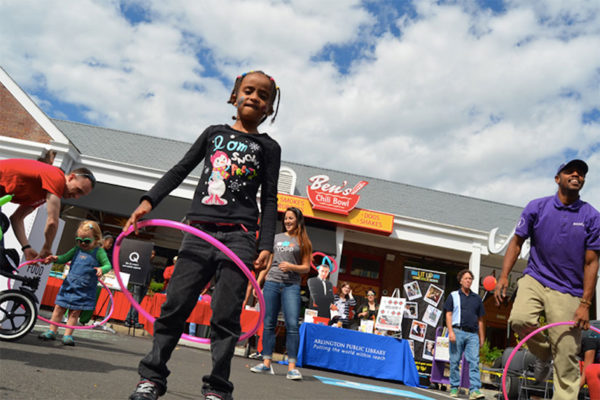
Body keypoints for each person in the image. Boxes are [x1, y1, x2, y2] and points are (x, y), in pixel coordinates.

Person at [126, 70, 281, 400]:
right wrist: (147, 201)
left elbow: (269, 198)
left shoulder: (269, 147)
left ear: (269, 108)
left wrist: (265, 244)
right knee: (175, 306)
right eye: (248, 91)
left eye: (263, 96)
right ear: (233, 96)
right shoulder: (213, 133)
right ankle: (151, 378)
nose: (254, 97)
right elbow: (181, 169)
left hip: (240, 237)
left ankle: (218, 389)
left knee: (226, 315)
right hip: (198, 231)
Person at [494, 159, 600, 399]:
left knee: (566, 356)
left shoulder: (592, 216)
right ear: (557, 178)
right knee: (519, 319)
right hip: (536, 277)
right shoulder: (537, 207)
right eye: (570, 171)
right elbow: (516, 242)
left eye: (581, 173)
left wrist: (585, 304)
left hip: (569, 289)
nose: (576, 175)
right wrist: (502, 277)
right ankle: (543, 353)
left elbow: (592, 262)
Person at [250, 207, 312, 380]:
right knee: (268, 323)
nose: (287, 221)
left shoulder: (304, 241)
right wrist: (259, 284)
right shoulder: (276, 239)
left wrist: (292, 267)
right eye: (285, 218)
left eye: (291, 218)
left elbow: (306, 267)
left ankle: (292, 367)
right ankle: (266, 363)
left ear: (298, 220)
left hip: (291, 286)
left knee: (292, 325)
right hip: (272, 283)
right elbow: (269, 263)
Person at [0, 159, 95, 259]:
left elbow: (17, 219)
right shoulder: (56, 178)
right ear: (71, 177)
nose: (76, 197)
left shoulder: (42, 194)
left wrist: (26, 247)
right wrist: (47, 247)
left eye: (81, 195)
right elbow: (52, 222)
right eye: (78, 190)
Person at [38, 220, 112, 346]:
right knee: (58, 308)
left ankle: (67, 335)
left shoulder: (99, 252)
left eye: (86, 241)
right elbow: (64, 258)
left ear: (96, 239)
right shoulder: (76, 249)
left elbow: (107, 265)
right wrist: (56, 259)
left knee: (74, 312)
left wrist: (101, 269)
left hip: (84, 288)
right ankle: (52, 330)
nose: (82, 243)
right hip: (69, 284)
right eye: (79, 240)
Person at [443, 269, 485, 399]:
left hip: (473, 334)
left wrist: (482, 337)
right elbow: (448, 314)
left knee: (474, 362)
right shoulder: (453, 295)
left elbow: (481, 320)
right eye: (466, 278)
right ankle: (454, 387)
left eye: (470, 279)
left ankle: (474, 390)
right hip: (457, 331)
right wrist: (450, 331)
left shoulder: (477, 298)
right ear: (461, 281)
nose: (468, 281)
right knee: (454, 361)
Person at [125, 249, 156, 328]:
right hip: (138, 285)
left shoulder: (151, 265)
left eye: (154, 254)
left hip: (145, 286)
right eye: (151, 253)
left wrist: (149, 286)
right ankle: (134, 322)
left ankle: (128, 320)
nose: (152, 255)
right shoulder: (141, 262)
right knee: (136, 304)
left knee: (136, 304)